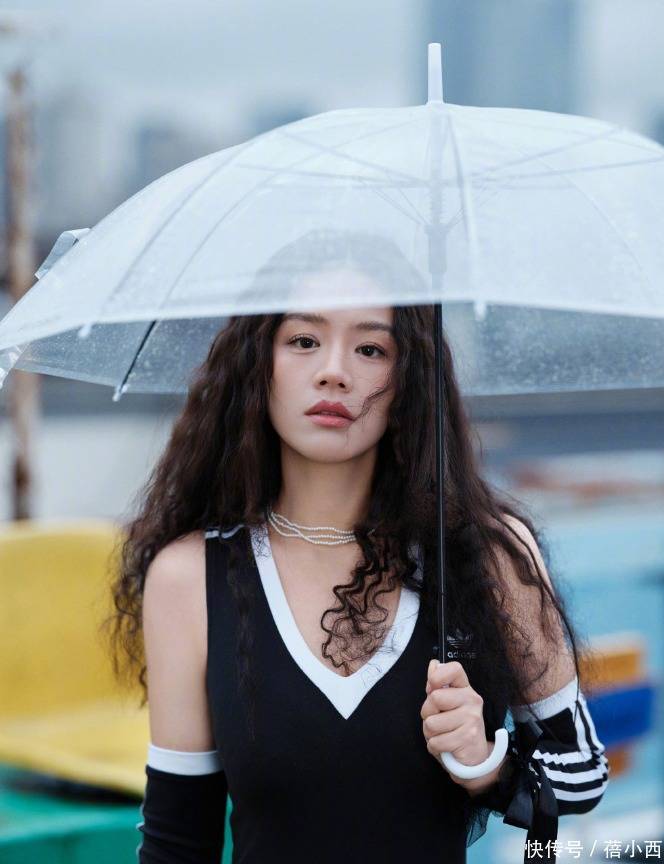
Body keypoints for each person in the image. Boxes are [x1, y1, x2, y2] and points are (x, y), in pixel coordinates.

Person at [101, 231, 609, 863]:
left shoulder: (487, 555)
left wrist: (486, 764)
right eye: (303, 341)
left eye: (371, 348)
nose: (334, 371)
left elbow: (583, 771)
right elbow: (178, 842)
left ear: (408, 381)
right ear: (258, 364)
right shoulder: (190, 576)